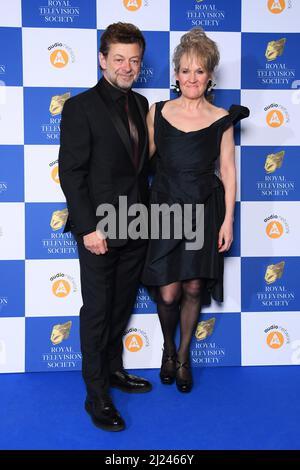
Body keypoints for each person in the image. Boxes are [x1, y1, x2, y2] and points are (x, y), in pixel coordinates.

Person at [142, 28, 249, 393]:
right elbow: (141, 163)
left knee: (192, 286)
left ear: (209, 76)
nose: (192, 78)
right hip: (165, 207)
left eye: (199, 71)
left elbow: (229, 171)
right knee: (168, 292)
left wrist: (228, 220)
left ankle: (183, 355)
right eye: (185, 71)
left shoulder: (221, 117)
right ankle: (167, 349)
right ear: (175, 75)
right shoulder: (157, 113)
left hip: (205, 208)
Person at [58, 22, 152, 432]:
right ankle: (96, 394)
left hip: (136, 225)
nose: (127, 67)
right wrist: (88, 228)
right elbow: (71, 173)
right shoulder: (80, 107)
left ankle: (113, 370)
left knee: (120, 306)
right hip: (99, 229)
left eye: (134, 60)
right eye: (119, 59)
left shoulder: (141, 103)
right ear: (102, 60)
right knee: (97, 312)